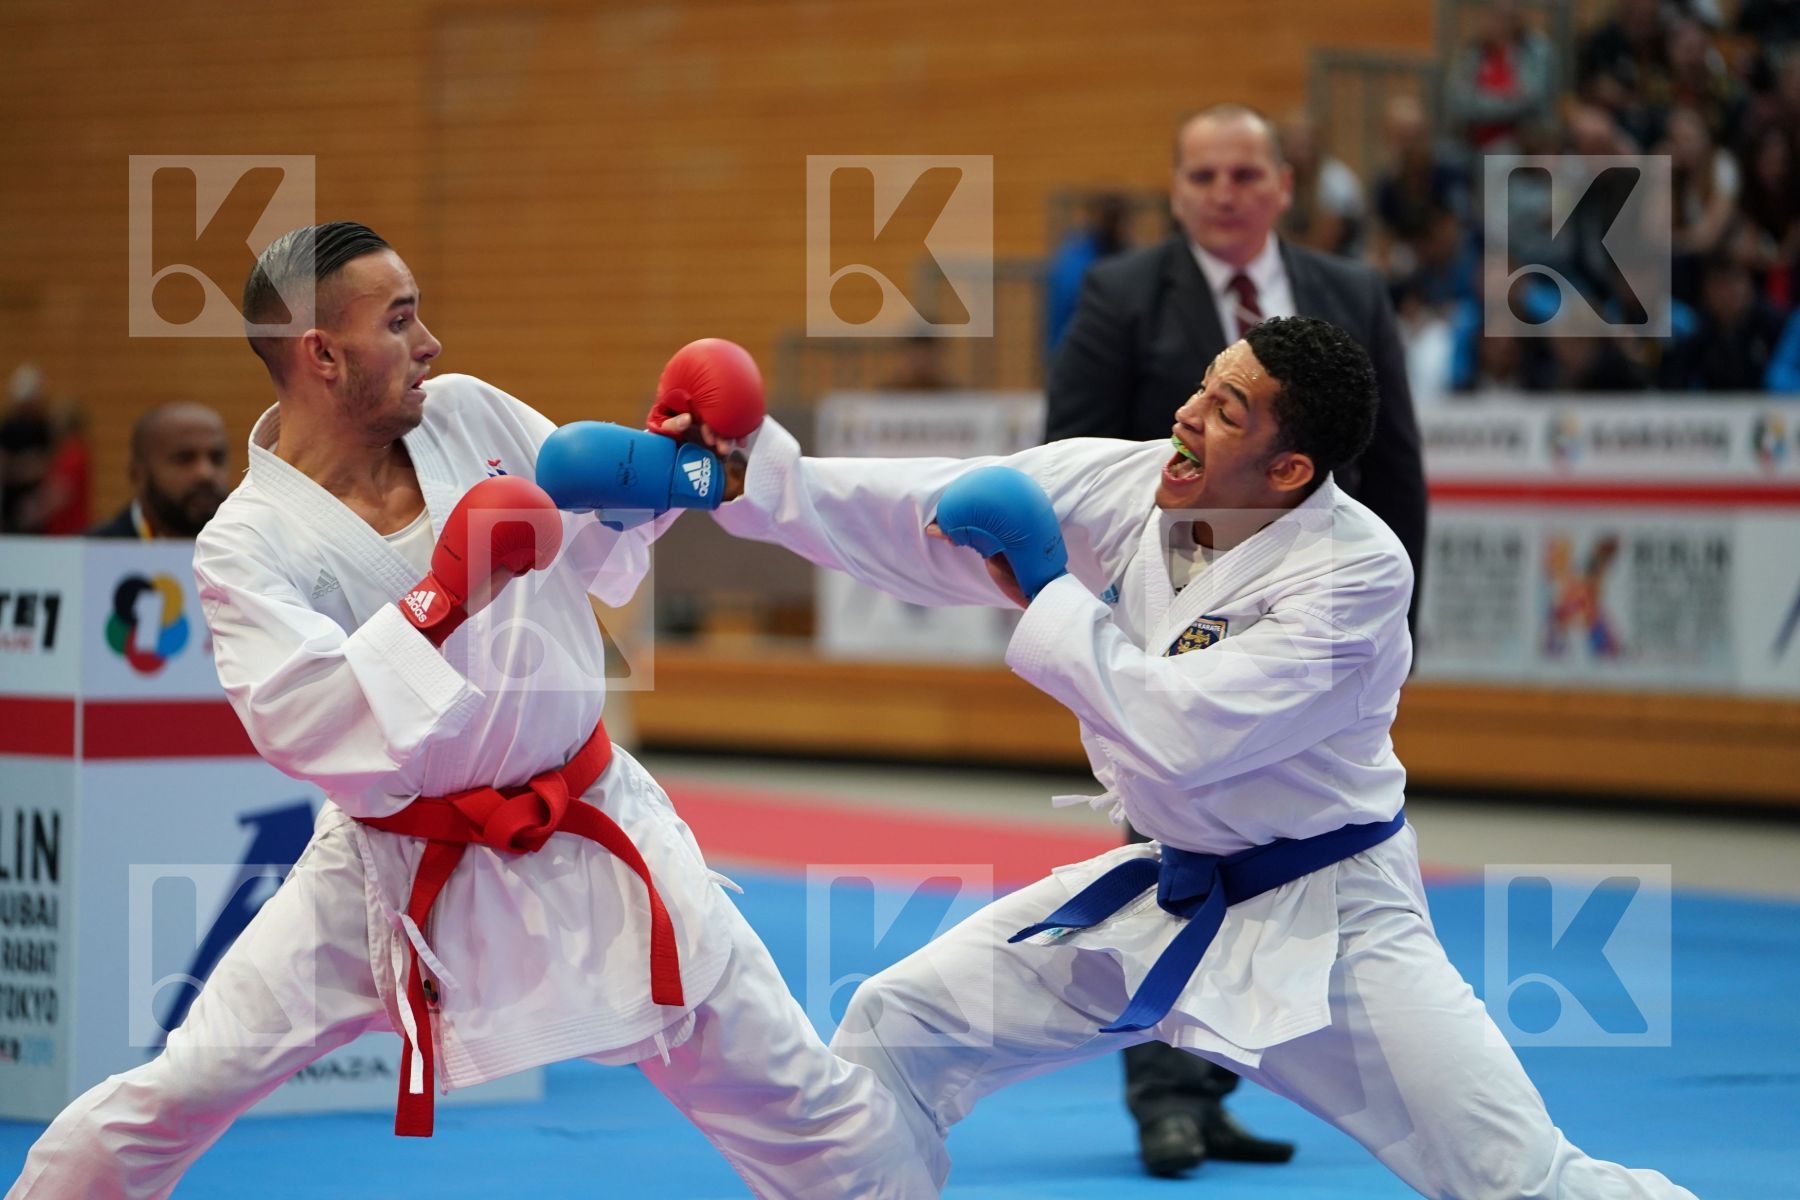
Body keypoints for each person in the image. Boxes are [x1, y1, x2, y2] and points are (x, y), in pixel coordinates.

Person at [661, 314, 1697, 1199]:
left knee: (1517, 1179)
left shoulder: (1355, 574)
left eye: (1228, 411)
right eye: (1205, 387)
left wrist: (1046, 590)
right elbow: (924, 511)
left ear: (1290, 470)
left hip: (1328, 922)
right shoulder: (1133, 486)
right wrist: (752, 470)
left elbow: (1181, 734)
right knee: (899, 1026)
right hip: (1161, 894)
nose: (1188, 416)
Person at [5, 221, 930, 1200]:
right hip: (390, 871)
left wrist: (667, 470)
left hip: (592, 825)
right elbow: (312, 729)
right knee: (181, 1088)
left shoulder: (470, 414)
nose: (430, 342)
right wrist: (444, 600)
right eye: (400, 321)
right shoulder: (247, 544)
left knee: (799, 1101)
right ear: (322, 353)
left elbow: (595, 547)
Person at [1044, 102, 1427, 1175]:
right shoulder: (1124, 293)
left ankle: (1215, 1088)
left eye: (1245, 173)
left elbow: (1392, 465)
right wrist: (1097, 625)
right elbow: (1073, 447)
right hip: (1166, 618)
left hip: (1309, 621)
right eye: (1204, 175)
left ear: (1282, 188)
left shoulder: (1346, 294)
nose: (1225, 192)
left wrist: (1392, 631)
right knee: (1171, 843)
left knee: (1285, 853)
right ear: (1176, 192)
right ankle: (1162, 1096)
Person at [88, 402, 230, 538]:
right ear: (137, 474)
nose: (206, 473)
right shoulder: (86, 555)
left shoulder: (247, 547)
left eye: (217, 458)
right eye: (184, 459)